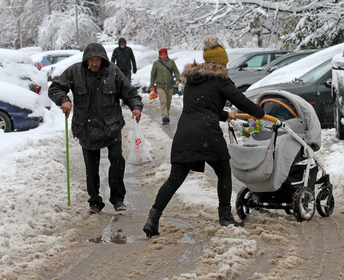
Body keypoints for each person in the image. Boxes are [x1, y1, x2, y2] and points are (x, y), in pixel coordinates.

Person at [143, 36, 265, 238]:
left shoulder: (193, 79)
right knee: (224, 172)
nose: (226, 66)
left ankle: (153, 217)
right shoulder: (220, 79)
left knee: (174, 179)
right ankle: (225, 217)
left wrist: (225, 115)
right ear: (220, 63)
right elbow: (240, 99)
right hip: (207, 132)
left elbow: (202, 106)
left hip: (185, 132)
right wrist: (259, 113)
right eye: (224, 62)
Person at [48, 43, 144, 214]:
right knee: (91, 167)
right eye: (90, 60)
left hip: (111, 126)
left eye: (97, 60)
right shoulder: (75, 72)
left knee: (117, 162)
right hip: (86, 128)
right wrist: (64, 100)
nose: (93, 63)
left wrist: (135, 106)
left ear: (102, 60)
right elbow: (55, 87)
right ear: (86, 60)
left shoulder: (113, 72)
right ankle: (95, 201)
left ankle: (117, 199)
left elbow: (130, 93)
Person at [149, 48, 180, 125]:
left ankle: (166, 114)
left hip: (169, 85)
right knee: (163, 101)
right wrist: (152, 85)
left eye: (165, 54)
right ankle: (164, 116)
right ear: (160, 55)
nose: (164, 56)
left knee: (168, 101)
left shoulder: (171, 62)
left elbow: (176, 71)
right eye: (162, 55)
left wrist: (177, 79)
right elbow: (153, 75)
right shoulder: (156, 63)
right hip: (160, 85)